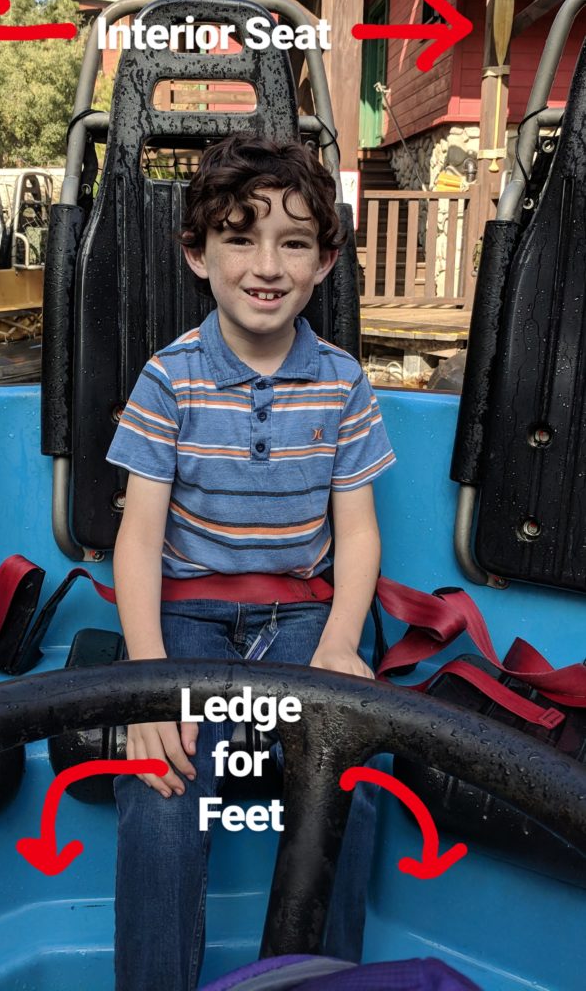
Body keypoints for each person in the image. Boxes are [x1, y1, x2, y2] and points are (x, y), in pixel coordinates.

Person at [106, 135, 395, 991]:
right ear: (197, 255)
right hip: (188, 617)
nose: (265, 265)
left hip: (299, 616)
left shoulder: (343, 384)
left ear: (325, 261)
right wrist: (150, 677)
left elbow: (358, 531)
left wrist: (340, 642)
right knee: (157, 781)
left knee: (355, 763)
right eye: (238, 236)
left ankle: (315, 977)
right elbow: (137, 538)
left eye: (293, 242)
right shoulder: (170, 380)